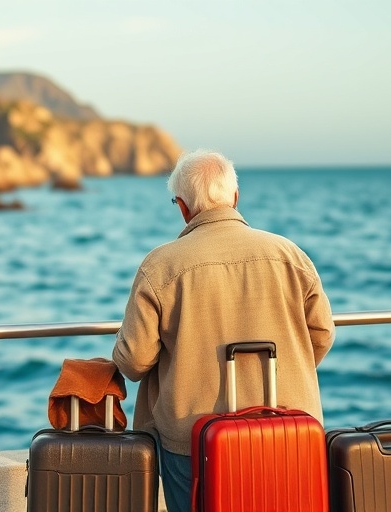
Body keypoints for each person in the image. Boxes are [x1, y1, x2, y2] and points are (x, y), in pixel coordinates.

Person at [112, 149, 335, 512]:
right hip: (289, 430)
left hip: (193, 440)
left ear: (182, 207)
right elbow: (322, 334)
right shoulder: (290, 254)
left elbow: (134, 361)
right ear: (235, 198)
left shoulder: (161, 265)